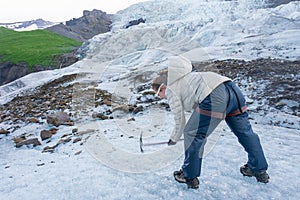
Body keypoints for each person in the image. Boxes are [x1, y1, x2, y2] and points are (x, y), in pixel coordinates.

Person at [152, 55, 269, 189]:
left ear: (163, 87)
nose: (160, 98)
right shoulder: (190, 78)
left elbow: (180, 120)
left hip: (215, 96)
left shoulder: (172, 90)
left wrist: (174, 138)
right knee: (245, 133)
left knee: (193, 134)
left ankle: (188, 175)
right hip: (234, 91)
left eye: (158, 94)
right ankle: (259, 169)